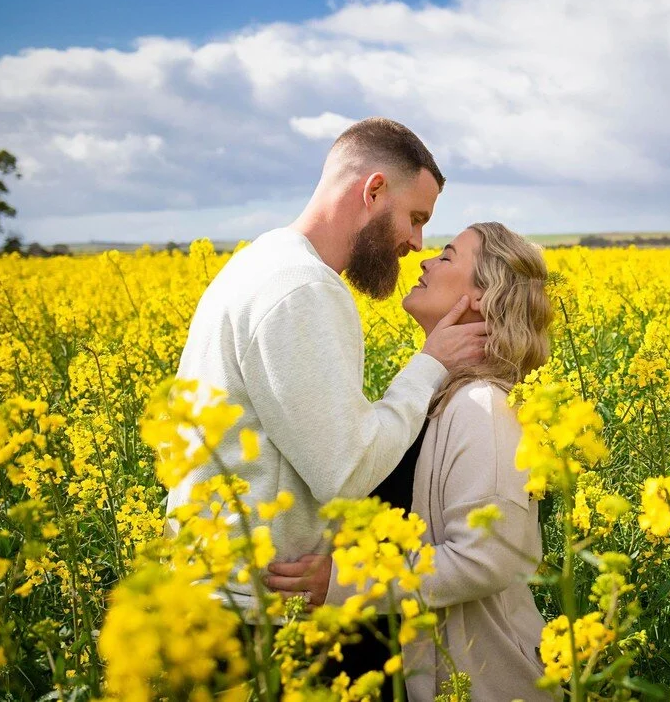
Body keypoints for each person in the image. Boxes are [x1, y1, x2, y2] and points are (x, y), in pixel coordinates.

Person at [165, 118, 487, 615]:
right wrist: (431, 365)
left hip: (219, 589)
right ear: (374, 191)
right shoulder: (302, 288)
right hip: (251, 609)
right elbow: (346, 472)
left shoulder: (261, 262)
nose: (417, 243)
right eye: (415, 217)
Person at [266, 222, 553, 701]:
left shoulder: (483, 407)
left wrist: (339, 580)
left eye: (446, 256)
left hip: (469, 680)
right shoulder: (437, 394)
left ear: (482, 296)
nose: (424, 260)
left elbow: (487, 559)